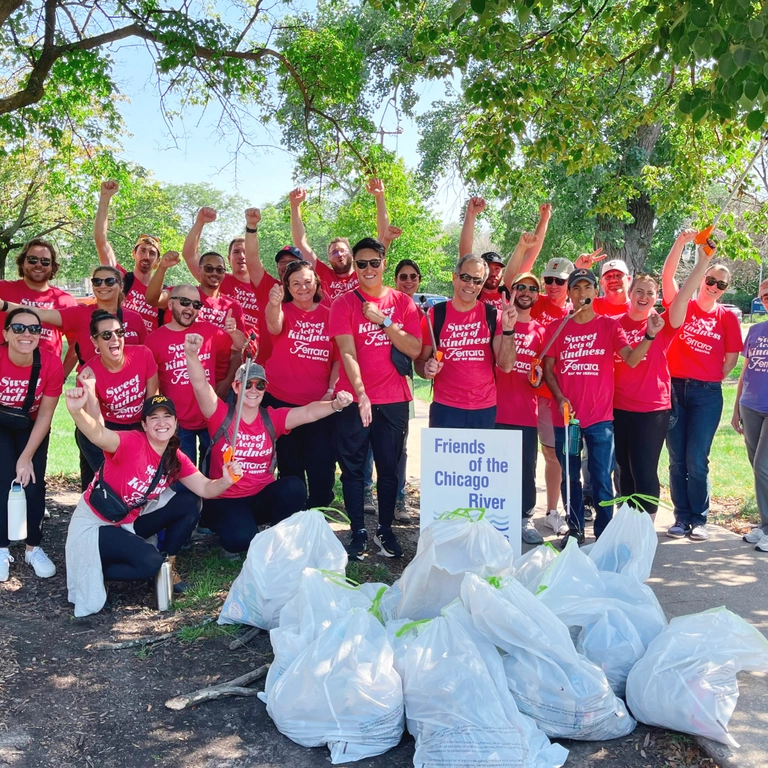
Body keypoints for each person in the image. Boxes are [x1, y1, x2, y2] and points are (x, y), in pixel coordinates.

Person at [64, 392, 239, 617]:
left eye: (167, 416)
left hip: (128, 520)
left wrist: (225, 480)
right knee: (150, 562)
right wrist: (76, 411)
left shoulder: (174, 457)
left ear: (175, 423)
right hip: (97, 523)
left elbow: (205, 488)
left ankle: (168, 564)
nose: (161, 422)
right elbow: (98, 434)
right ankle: (95, 569)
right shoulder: (130, 442)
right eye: (154, 417)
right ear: (144, 425)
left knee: (190, 502)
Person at [184, 334, 354, 554]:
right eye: (247, 384)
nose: (253, 390)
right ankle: (225, 525)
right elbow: (200, 386)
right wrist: (191, 354)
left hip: (260, 495)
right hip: (227, 498)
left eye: (260, 385)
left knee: (294, 487)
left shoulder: (271, 418)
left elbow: (308, 412)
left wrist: (335, 405)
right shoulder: (220, 414)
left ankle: (275, 535)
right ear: (236, 386)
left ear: (265, 389)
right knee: (240, 541)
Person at [543, 268, 664, 545]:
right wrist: (559, 397)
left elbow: (631, 359)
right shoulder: (557, 327)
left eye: (587, 287)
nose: (581, 293)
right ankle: (575, 530)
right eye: (576, 288)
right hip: (566, 419)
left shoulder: (609, 326)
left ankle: (604, 533)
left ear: (595, 292)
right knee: (570, 476)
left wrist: (649, 335)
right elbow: (548, 369)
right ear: (569, 293)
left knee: (601, 477)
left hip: (599, 419)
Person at [330, 237, 422, 560]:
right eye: (361, 263)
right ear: (354, 266)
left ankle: (385, 530)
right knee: (353, 469)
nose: (367, 269)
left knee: (389, 469)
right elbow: (347, 352)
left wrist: (384, 321)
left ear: (384, 263)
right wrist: (361, 393)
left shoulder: (403, 303)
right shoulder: (343, 304)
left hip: (394, 398)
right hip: (355, 400)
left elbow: (414, 348)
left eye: (373, 262)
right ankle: (357, 530)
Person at [613, 247, 709, 516]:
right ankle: (627, 524)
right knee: (624, 469)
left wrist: (703, 261)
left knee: (644, 470)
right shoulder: (614, 324)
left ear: (656, 297)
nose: (643, 297)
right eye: (639, 291)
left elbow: (684, 295)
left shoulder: (662, 323)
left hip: (652, 409)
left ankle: (646, 529)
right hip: (618, 407)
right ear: (629, 293)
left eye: (650, 293)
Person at [662, 233, 743, 541]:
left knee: (697, 458)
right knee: (677, 458)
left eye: (721, 284)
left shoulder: (727, 318)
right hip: (674, 390)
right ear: (702, 278)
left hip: (706, 394)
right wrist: (681, 243)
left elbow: (730, 359)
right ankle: (681, 517)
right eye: (710, 280)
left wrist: (708, 377)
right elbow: (667, 276)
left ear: (725, 289)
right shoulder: (682, 303)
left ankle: (699, 519)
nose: (714, 286)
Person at [262, 260, 340, 508]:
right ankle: (293, 514)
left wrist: (331, 390)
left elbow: (338, 359)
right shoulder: (282, 309)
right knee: (289, 463)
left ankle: (319, 512)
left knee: (322, 463)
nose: (302, 287)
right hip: (281, 402)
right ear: (287, 286)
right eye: (295, 283)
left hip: (320, 404)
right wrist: (274, 303)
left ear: (316, 282)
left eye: (307, 281)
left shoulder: (330, 315)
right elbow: (274, 324)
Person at [144, 284, 243, 466]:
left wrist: (233, 332)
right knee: (183, 475)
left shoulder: (210, 331)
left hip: (211, 417)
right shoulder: (153, 341)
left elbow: (240, 346)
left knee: (215, 471)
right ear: (171, 304)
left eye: (196, 305)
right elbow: (151, 385)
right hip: (178, 423)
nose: (190, 308)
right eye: (185, 302)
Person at [416, 254, 517, 428]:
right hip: (445, 407)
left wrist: (508, 330)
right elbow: (420, 361)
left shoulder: (493, 315)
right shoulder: (435, 314)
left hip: (483, 408)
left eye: (477, 281)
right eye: (465, 277)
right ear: (454, 277)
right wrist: (426, 370)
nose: (471, 284)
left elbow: (506, 366)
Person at [0, 308, 64, 582]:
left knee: (33, 482)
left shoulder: (50, 363)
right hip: (1, 424)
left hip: (32, 424)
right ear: (6, 334)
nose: (26, 334)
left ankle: (32, 548)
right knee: (4, 478)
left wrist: (26, 458)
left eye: (34, 329)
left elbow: (46, 415)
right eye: (18, 328)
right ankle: (2, 548)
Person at [0, 265, 147, 373]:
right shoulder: (79, 314)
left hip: (129, 389)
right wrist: (3, 305)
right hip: (91, 387)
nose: (103, 286)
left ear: (120, 286)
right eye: (97, 281)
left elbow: (145, 356)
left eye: (109, 281)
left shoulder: (134, 318)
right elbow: (40, 313)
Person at [494, 271, 547, 545]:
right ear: (511, 291)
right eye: (521, 287)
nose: (526, 292)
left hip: (526, 413)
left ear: (537, 295)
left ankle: (525, 519)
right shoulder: (497, 323)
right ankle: (495, 519)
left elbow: (545, 375)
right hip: (494, 410)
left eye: (532, 288)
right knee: (494, 469)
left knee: (526, 470)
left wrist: (538, 380)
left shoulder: (542, 332)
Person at [74, 310, 159, 474]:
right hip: (107, 427)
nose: (115, 338)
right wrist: (90, 388)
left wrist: (149, 436)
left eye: (119, 332)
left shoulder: (143, 355)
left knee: (140, 475)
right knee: (111, 477)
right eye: (106, 335)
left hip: (139, 424)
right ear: (95, 342)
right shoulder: (88, 373)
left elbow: (152, 402)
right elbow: (94, 426)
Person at [289, 180, 391, 302]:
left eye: (343, 250)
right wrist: (295, 206)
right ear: (329, 260)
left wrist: (379, 196)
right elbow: (300, 243)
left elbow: (385, 235)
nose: (339, 254)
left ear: (352, 256)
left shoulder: (365, 271)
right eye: (334, 252)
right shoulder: (324, 275)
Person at [94, 180, 165, 333]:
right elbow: (101, 240)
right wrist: (105, 198)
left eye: (152, 253)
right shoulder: (121, 278)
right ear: (134, 254)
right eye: (142, 251)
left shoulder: (162, 293)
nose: (146, 256)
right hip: (119, 344)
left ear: (158, 261)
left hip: (148, 347)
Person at [459, 197, 550, 310]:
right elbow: (465, 253)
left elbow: (530, 255)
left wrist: (544, 219)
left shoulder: (508, 292)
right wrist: (471, 213)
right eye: (489, 268)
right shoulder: (473, 292)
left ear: (502, 272)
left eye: (497, 269)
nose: (493, 273)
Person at [733, 278, 768, 552]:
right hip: (750, 405)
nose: (766, 298)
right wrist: (736, 408)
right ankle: (765, 525)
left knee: (763, 466)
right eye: (763, 295)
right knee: (758, 469)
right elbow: (745, 371)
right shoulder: (756, 330)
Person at [243, 206, 303, 364]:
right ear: (277, 267)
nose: (286, 265)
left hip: (302, 370)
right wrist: (251, 226)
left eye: (292, 262)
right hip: (267, 369)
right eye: (282, 262)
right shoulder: (268, 287)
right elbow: (252, 262)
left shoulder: (311, 293)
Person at [0, 238, 77, 359]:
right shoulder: (2, 289)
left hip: (46, 370)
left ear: (52, 266)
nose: (38, 264)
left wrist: (62, 371)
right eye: (32, 260)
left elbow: (76, 343)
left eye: (45, 261)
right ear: (22, 262)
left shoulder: (65, 300)